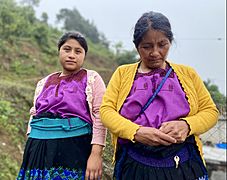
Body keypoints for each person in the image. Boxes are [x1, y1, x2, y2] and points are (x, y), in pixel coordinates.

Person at [100, 11, 219, 180]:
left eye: (162, 44)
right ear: (137, 46)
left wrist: (186, 125)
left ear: (170, 42)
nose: (155, 52)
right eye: (147, 46)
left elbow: (210, 111)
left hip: (182, 165)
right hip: (136, 165)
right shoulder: (123, 73)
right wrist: (136, 132)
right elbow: (106, 111)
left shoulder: (188, 74)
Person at [17, 31, 107, 180]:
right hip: (37, 147)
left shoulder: (91, 78)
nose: (72, 55)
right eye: (67, 49)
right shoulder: (43, 82)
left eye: (78, 51)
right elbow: (34, 114)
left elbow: (99, 115)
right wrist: (30, 147)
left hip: (73, 148)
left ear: (84, 55)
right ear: (59, 51)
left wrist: (96, 154)